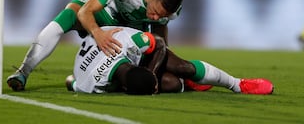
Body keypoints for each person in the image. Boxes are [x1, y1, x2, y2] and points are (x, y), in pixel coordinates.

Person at [7, 0, 184, 91]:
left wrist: (162, 58)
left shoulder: (171, 8)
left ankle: (84, 83)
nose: (155, 17)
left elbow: (160, 30)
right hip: (105, 10)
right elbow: (85, 12)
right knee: (70, 14)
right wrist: (97, 33)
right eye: (154, 11)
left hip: (130, 24)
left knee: (161, 80)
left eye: (161, 16)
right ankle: (23, 71)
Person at [66, 26, 274, 95]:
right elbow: (72, 82)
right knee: (172, 84)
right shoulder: (91, 83)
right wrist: (70, 82)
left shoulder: (129, 43)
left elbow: (157, 41)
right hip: (100, 60)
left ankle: (238, 84)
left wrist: (153, 73)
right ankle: (187, 84)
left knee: (182, 66)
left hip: (120, 42)